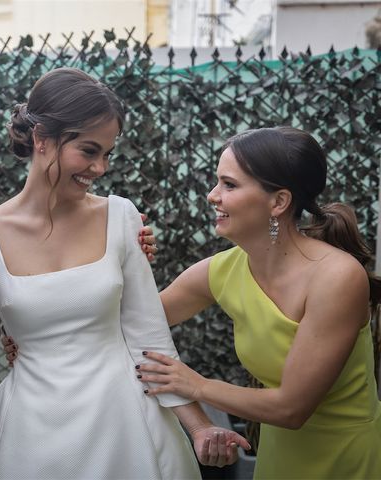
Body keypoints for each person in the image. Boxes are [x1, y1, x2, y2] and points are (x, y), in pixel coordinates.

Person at [0, 67, 250, 479]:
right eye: (88, 150)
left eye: (107, 153)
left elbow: (149, 339)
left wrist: (200, 426)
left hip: (127, 424)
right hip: (31, 436)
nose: (100, 167)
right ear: (41, 138)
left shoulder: (122, 218)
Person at [135, 127, 381, 478]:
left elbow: (292, 408)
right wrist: (126, 260)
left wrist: (196, 384)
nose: (212, 195)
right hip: (279, 458)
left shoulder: (337, 277)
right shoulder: (220, 271)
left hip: (348, 460)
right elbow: (135, 321)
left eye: (229, 185)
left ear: (278, 202)